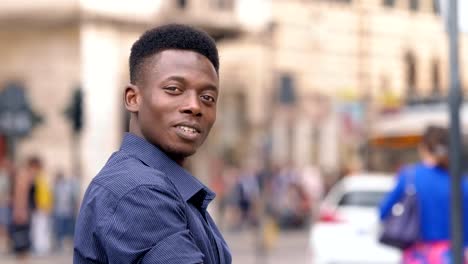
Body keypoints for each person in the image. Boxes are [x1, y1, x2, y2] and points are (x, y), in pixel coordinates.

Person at [74, 24, 231, 264]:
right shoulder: (138, 191)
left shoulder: (166, 187)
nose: (195, 106)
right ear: (133, 98)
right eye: (174, 89)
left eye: (207, 97)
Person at [379, 125, 468, 263]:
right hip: (453, 255)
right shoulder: (461, 181)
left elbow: (383, 211)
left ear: (424, 148)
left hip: (418, 254)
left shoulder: (410, 176)